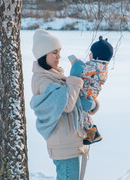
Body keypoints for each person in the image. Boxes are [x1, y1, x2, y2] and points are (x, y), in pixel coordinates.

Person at [30, 29, 97, 180]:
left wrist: (90, 103)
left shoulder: (55, 75)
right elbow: (66, 104)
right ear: (43, 54)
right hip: (63, 146)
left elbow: (72, 96)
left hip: (70, 142)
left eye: (59, 52)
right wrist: (73, 77)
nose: (59, 56)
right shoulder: (42, 80)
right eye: (54, 52)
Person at [68, 36, 113, 145]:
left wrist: (75, 62)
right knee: (84, 112)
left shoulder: (96, 66)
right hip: (91, 93)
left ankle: (92, 132)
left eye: (91, 53)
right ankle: (91, 132)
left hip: (86, 93)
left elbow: (82, 71)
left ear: (96, 55)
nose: (89, 55)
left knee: (82, 112)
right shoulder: (103, 66)